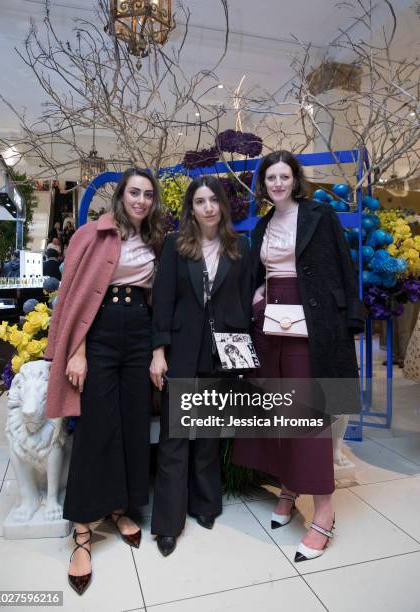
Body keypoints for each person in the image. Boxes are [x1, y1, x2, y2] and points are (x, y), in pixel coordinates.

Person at [233, 150, 364, 563]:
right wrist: (256, 298)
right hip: (271, 324)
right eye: (270, 177)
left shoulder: (319, 216)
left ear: (295, 179)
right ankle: (289, 486)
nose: (277, 183)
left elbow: (343, 267)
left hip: (313, 323)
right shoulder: (264, 223)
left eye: (283, 176)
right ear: (263, 183)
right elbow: (261, 274)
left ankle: (324, 512)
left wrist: (351, 320)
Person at [44, 168, 164, 595]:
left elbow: (158, 299)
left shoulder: (155, 240)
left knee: (131, 424)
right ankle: (81, 530)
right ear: (121, 194)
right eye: (135, 192)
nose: (141, 200)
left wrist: (156, 349)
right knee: (96, 428)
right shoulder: (92, 233)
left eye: (148, 194)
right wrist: (75, 350)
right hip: (98, 333)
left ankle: (120, 506)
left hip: (138, 332)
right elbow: (72, 294)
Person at [150, 175, 251, 557]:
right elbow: (162, 300)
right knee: (175, 436)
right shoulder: (176, 246)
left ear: (222, 205)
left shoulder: (239, 246)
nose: (207, 207)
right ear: (190, 207)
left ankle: (205, 505)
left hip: (219, 352)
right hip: (181, 348)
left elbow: (242, 303)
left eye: (213, 200)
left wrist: (240, 355)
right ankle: (167, 522)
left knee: (208, 434)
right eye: (199, 201)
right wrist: (158, 351)